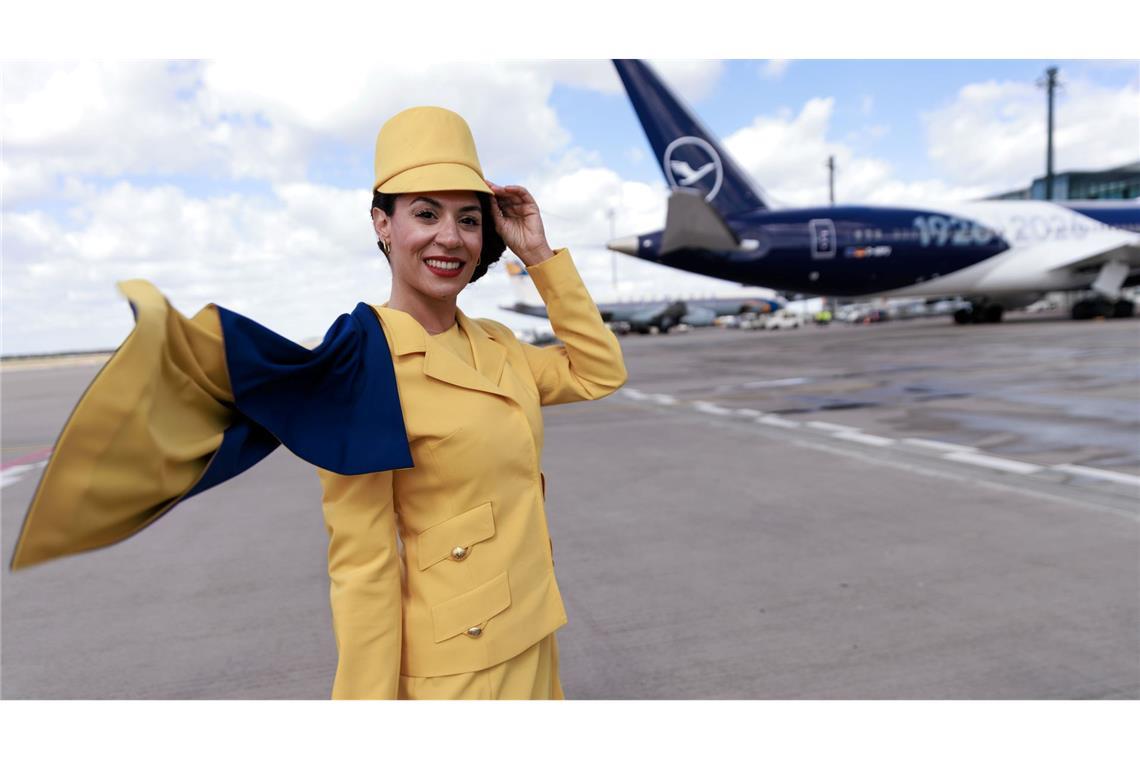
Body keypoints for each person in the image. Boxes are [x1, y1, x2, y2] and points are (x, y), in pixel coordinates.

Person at [9, 106, 628, 700]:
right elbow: (363, 568)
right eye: (425, 213)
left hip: (535, 635)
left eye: (469, 219)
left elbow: (599, 371)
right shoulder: (363, 370)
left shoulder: (498, 344)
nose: (450, 237)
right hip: (457, 672)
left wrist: (539, 256)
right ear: (383, 225)